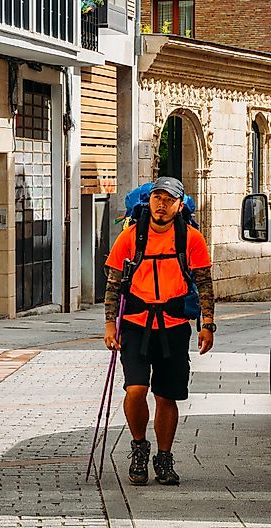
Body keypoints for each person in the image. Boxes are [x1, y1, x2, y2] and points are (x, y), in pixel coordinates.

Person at [103, 176, 216, 486]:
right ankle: (139, 446)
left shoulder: (191, 238)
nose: (162, 204)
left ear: (179, 205)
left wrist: (207, 324)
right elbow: (114, 283)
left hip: (175, 327)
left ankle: (164, 458)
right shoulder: (129, 237)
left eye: (169, 200)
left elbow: (204, 283)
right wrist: (110, 324)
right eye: (157, 198)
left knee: (167, 396)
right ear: (149, 201)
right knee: (135, 390)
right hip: (136, 324)